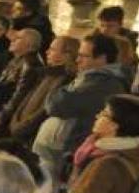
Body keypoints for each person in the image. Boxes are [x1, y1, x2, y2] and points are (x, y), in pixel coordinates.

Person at [35, 34, 127, 177]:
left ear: (101, 58)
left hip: (68, 152)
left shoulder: (103, 83)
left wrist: (62, 90)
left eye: (84, 56)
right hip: (59, 150)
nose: (77, 60)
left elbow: (56, 105)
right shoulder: (90, 77)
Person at [0, 35, 75, 146]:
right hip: (17, 129)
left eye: (52, 49)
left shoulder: (64, 80)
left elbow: (43, 112)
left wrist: (19, 128)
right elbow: (25, 99)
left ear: (66, 55)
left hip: (28, 137)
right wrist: (15, 121)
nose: (47, 52)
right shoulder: (46, 74)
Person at [0, 28, 42, 129]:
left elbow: (18, 96)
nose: (12, 40)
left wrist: (0, 119)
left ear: (29, 44)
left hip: (3, 117)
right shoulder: (17, 59)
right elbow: (4, 84)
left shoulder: (30, 65)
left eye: (18, 38)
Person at [95, 5, 137, 75]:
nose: (105, 29)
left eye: (110, 26)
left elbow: (125, 65)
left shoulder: (126, 41)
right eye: (102, 25)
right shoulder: (96, 36)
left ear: (120, 25)